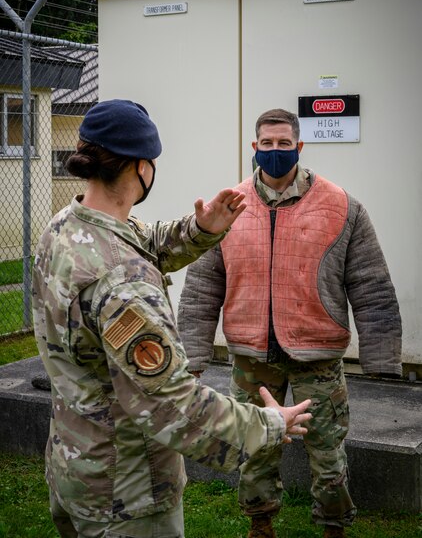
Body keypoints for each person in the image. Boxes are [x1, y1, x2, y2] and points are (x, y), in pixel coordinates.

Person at [32, 99, 313, 538]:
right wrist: (269, 424)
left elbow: (144, 242)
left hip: (76, 466)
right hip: (127, 493)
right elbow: (172, 404)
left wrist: (202, 230)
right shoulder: (123, 283)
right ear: (141, 167)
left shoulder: (66, 227)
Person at [178, 107, 402, 538]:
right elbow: (201, 289)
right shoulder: (228, 207)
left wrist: (382, 361)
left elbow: (371, 284)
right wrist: (192, 354)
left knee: (327, 450)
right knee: (254, 447)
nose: (275, 151)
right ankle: (260, 525)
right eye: (267, 143)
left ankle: (333, 526)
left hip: (317, 356)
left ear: (299, 146)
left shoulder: (341, 206)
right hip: (251, 357)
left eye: (284, 144)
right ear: (254, 147)